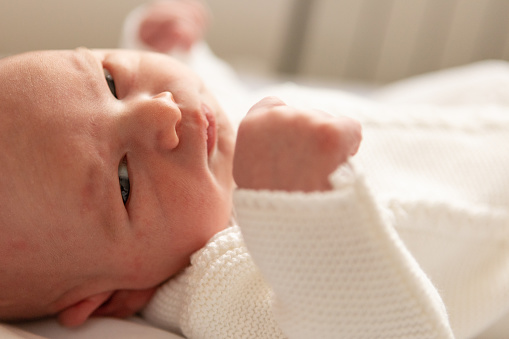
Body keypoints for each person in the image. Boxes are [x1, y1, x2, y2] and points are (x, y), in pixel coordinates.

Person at [1, 1, 509, 339]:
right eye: (124, 181)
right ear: (113, 299)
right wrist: (306, 212)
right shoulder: (218, 285)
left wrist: (173, 47)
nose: (163, 111)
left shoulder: (208, 137)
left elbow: (220, 94)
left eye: (111, 80)